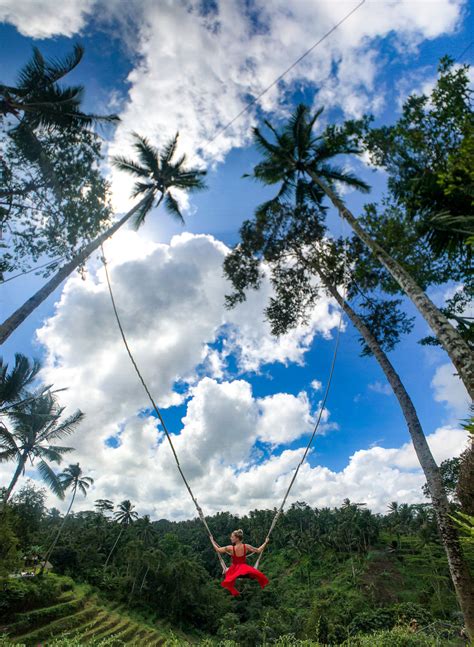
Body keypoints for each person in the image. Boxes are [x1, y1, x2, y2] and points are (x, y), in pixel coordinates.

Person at [211, 528, 269, 596]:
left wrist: (212, 541)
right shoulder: (246, 546)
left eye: (232, 537)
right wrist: (265, 542)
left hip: (234, 570)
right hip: (244, 570)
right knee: (252, 574)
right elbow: (259, 550)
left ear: (237, 538)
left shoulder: (230, 548)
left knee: (227, 573)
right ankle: (249, 576)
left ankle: (236, 576)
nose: (230, 538)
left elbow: (217, 550)